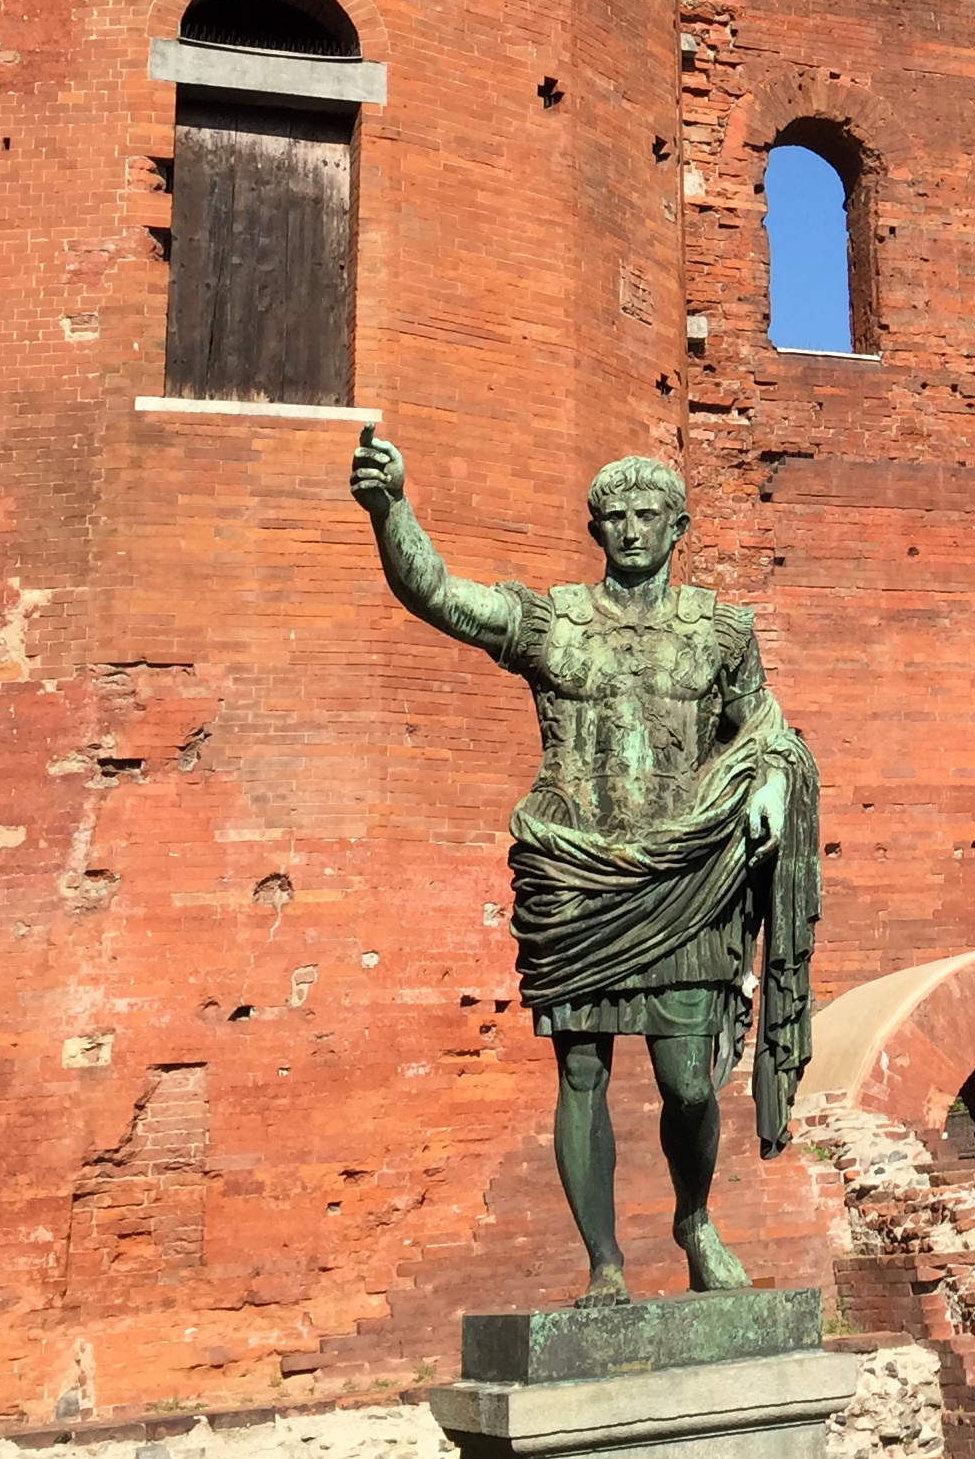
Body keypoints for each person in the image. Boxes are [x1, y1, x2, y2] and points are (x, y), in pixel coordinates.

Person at [350, 429, 817, 1306]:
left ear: (678, 527)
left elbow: (766, 731)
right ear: (595, 529)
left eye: (649, 515)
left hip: (683, 879)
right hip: (573, 875)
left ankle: (694, 1220)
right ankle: (604, 1264)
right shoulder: (552, 622)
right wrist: (391, 510)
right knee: (581, 1072)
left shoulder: (721, 630)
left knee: (689, 1082)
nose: (632, 531)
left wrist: (771, 782)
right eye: (616, 517)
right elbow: (439, 596)